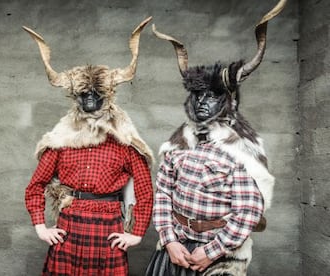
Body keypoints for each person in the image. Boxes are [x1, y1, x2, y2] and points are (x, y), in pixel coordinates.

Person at [146, 1, 286, 274]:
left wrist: (211, 252)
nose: (202, 102)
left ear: (227, 100)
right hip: (175, 248)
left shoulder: (240, 148)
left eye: (211, 96)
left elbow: (247, 211)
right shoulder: (179, 142)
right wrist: (169, 240)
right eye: (197, 95)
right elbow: (163, 192)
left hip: (218, 253)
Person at [23, 17, 154, 275]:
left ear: (108, 96)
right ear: (75, 96)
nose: (91, 98)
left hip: (109, 229)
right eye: (84, 93)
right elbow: (36, 185)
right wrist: (41, 227)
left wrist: (137, 233)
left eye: (98, 93)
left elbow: (144, 188)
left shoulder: (124, 140)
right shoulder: (61, 139)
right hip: (69, 226)